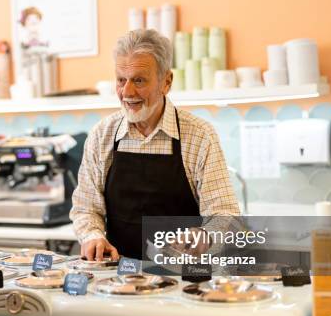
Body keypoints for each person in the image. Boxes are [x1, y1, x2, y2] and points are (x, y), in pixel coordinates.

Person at [70, 29, 240, 261]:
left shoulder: (199, 136)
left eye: (139, 80)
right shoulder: (102, 135)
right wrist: (92, 235)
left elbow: (225, 214)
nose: (127, 92)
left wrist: (206, 235)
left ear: (166, 82)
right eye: (121, 80)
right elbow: (86, 207)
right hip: (120, 278)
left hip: (185, 276)